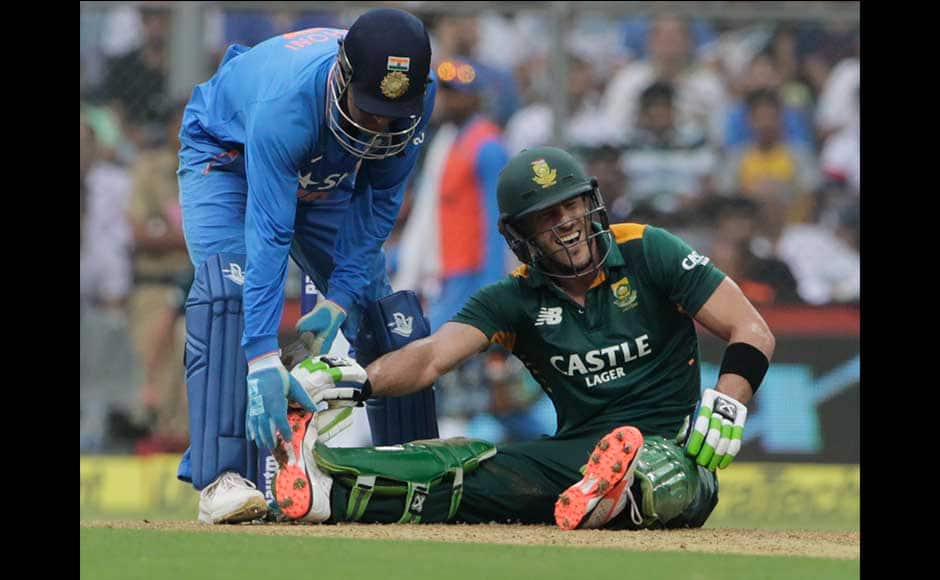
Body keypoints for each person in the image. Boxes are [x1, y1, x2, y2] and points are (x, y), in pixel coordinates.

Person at [269, 146, 775, 530]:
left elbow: (751, 328)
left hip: (675, 445)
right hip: (577, 457)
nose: (568, 225)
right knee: (468, 468)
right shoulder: (512, 297)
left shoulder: (648, 248)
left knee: (668, 474)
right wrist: (358, 381)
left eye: (572, 207)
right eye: (547, 218)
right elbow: (431, 358)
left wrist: (729, 402)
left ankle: (624, 490)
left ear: (592, 204)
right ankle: (326, 488)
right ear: (520, 236)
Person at [175, 8, 439, 524]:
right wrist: (262, 359)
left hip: (325, 166)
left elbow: (378, 207)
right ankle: (224, 478)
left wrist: (339, 299)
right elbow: (270, 234)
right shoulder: (286, 107)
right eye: (368, 109)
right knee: (229, 293)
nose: (379, 126)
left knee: (381, 309)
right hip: (228, 154)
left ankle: (410, 472)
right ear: (342, 76)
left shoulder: (411, 103)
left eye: (392, 114)